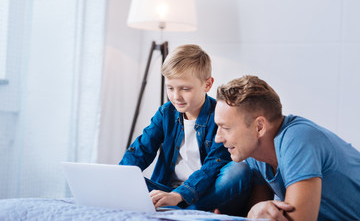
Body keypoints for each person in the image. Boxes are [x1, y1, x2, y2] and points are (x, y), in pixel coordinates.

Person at [120, 45, 252, 214]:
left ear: (207, 84)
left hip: (204, 190)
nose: (176, 96)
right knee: (126, 178)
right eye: (170, 88)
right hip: (166, 189)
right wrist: (120, 178)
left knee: (239, 172)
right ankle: (181, 208)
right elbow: (142, 150)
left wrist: (179, 195)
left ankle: (182, 208)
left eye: (185, 89)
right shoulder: (165, 113)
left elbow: (212, 167)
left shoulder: (220, 116)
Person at [214, 75, 360, 220]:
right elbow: (261, 215)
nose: (218, 138)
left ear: (259, 127)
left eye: (225, 127)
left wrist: (251, 214)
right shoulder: (255, 155)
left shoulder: (298, 139)